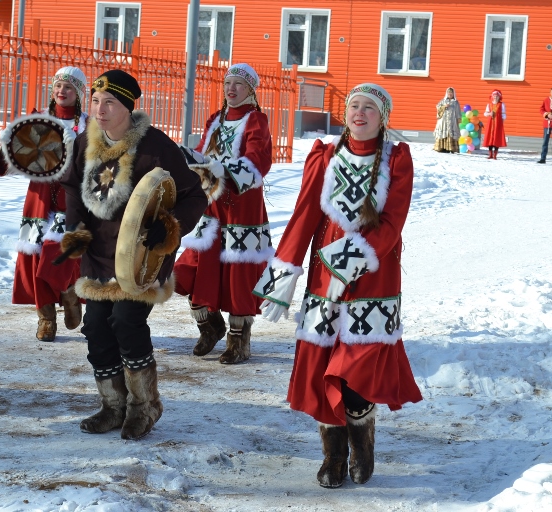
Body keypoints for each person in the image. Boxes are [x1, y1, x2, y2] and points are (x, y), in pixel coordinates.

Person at [253, 83, 423, 488]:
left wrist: (346, 262)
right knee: (319, 365)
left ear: (383, 117)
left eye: (369, 107)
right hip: (322, 283)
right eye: (353, 106)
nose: (359, 113)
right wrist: (283, 276)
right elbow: (303, 217)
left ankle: (363, 444)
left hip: (373, 279)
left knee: (357, 368)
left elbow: (392, 222)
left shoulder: (397, 159)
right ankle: (334, 454)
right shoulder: (325, 155)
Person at [59, 69, 206, 440]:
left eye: (109, 102)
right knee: (95, 327)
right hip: (98, 255)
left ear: (127, 107)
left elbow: (194, 194)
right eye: (95, 101)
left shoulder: (156, 146)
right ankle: (113, 405)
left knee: (126, 321)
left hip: (142, 258)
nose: (100, 109)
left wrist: (170, 226)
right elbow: (73, 190)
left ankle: (145, 406)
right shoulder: (83, 144)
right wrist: (75, 231)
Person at [174, 63, 273, 365]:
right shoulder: (215, 119)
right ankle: (210, 326)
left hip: (242, 206)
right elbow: (205, 152)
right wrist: (192, 163)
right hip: (212, 205)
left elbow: (258, 161)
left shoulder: (256, 121)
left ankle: (239, 340)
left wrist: (221, 171)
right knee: (193, 265)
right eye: (227, 83)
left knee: (237, 273)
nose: (231, 89)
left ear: (251, 91)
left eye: (238, 85)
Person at [0, 66, 88, 342]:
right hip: (37, 198)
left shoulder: (88, 125)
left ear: (79, 93)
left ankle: (69, 294)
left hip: (69, 199)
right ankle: (46, 318)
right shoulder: (36, 120)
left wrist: (79, 150)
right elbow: (7, 165)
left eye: (69, 87)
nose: (62, 91)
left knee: (58, 253)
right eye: (58, 86)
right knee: (33, 255)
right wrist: (8, 143)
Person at [433, 87, 461, 153]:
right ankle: (441, 148)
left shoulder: (456, 102)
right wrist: (444, 106)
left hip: (452, 121)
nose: (450, 94)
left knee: (451, 133)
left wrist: (458, 119)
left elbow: (458, 111)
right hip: (443, 121)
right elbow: (438, 108)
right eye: (449, 92)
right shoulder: (443, 101)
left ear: (453, 94)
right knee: (443, 133)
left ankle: (451, 148)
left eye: (451, 93)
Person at [483, 90, 506, 159]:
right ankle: (490, 154)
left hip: (498, 123)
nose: (495, 97)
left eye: (497, 96)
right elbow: (485, 114)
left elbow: (504, 115)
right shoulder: (489, 104)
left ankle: (495, 155)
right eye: (494, 96)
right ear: (492, 96)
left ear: (499, 97)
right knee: (490, 138)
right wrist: (490, 114)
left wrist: (501, 123)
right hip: (491, 123)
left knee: (496, 138)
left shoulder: (502, 105)